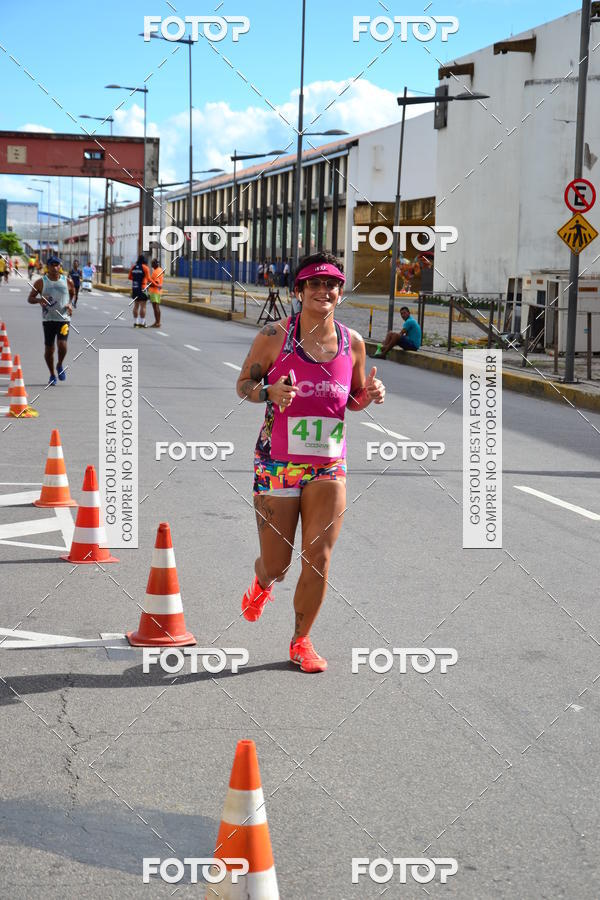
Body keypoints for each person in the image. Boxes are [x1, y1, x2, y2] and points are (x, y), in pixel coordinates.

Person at [236, 251, 386, 673]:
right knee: (278, 563)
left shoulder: (351, 342)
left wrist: (369, 394)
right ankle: (262, 582)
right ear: (299, 290)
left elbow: (352, 399)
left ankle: (301, 641)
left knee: (318, 557)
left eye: (332, 284)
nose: (324, 290)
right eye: (314, 284)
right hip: (277, 463)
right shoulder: (273, 335)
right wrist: (269, 394)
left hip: (328, 465)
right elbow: (243, 384)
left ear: (340, 291)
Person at [27, 255, 74, 385]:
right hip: (48, 320)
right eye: (52, 265)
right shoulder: (41, 282)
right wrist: (39, 300)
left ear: (60, 267)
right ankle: (52, 374)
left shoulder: (67, 281)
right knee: (49, 349)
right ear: (47, 267)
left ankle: (59, 364)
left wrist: (70, 303)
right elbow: (30, 298)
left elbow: (73, 293)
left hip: (64, 319)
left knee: (62, 345)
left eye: (57, 265)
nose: (55, 267)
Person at [128, 254, 150, 327]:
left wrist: (136, 279)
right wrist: (155, 283)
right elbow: (149, 278)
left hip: (135, 288)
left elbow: (130, 277)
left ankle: (136, 322)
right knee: (143, 306)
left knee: (136, 306)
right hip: (143, 288)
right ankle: (142, 323)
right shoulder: (145, 268)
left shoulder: (133, 267)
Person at [148, 258, 164, 327]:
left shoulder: (156, 272)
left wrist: (148, 284)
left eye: (152, 264)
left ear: (155, 264)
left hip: (155, 291)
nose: (151, 265)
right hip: (158, 291)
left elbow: (156, 282)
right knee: (157, 307)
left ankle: (157, 322)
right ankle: (157, 322)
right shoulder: (160, 270)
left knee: (155, 307)